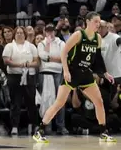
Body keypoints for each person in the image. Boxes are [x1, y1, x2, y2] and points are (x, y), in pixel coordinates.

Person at [33, 12, 117, 143]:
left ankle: (103, 132)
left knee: (99, 101)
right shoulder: (78, 35)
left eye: (99, 22)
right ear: (88, 22)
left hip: (85, 73)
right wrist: (66, 71)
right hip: (72, 72)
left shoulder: (98, 38)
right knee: (59, 103)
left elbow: (98, 59)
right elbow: (64, 52)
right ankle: (40, 130)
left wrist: (105, 73)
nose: (98, 24)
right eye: (95, 21)